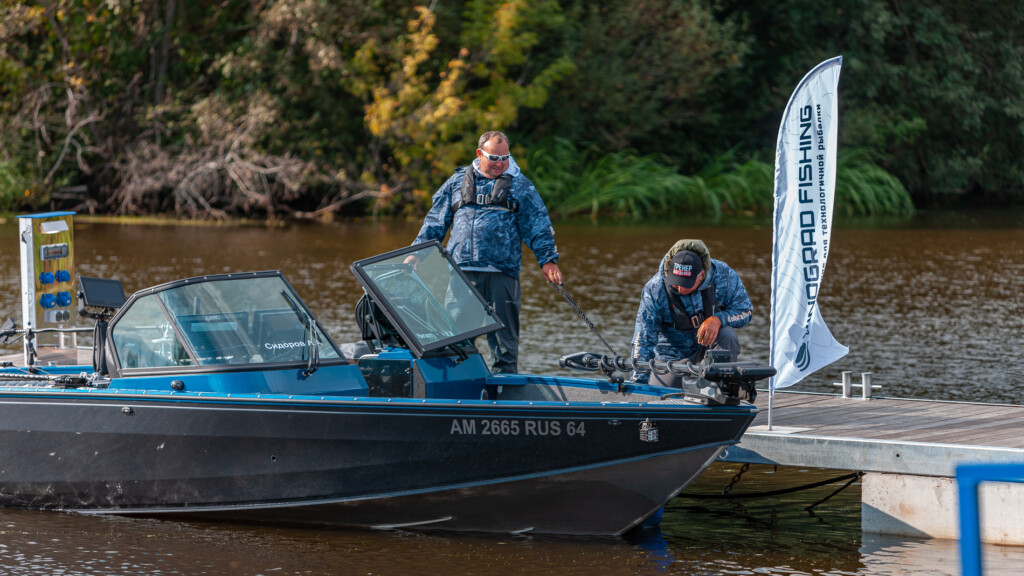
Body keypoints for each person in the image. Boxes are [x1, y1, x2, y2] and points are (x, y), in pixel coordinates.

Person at [407, 130, 562, 373]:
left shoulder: (520, 186)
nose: (500, 164)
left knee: (504, 344)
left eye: (505, 158)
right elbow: (436, 220)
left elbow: (538, 225)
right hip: (462, 275)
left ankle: (505, 394)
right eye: (494, 158)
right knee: (457, 341)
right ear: (480, 154)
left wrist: (548, 260)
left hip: (502, 274)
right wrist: (417, 252)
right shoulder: (457, 182)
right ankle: (460, 387)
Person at [630, 239, 752, 386]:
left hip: (706, 354)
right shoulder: (654, 289)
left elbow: (745, 311)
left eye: (686, 284)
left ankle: (721, 389)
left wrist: (718, 319)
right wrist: (637, 386)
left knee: (728, 335)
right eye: (676, 282)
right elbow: (643, 340)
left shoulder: (724, 275)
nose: (680, 289)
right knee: (665, 395)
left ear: (701, 276)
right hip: (669, 360)